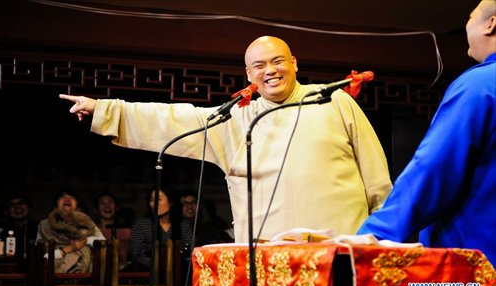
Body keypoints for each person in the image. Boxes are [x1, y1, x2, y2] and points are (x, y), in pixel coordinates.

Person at [60, 35, 392, 243]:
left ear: (293, 63)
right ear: (249, 75)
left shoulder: (333, 100)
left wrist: (385, 229)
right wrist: (105, 110)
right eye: (259, 65)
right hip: (268, 251)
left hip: (342, 244)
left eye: (278, 61)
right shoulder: (238, 118)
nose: (270, 70)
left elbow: (375, 172)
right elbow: (176, 119)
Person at [358, 0, 496, 264]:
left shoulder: (480, 85)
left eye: (471, 16)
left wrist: (375, 233)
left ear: (491, 24)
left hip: (476, 269)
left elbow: (435, 167)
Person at [36, 190, 105, 273]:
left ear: (78, 209)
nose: (67, 198)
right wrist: (69, 249)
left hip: (85, 273)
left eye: (71, 197)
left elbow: (104, 244)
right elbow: (42, 257)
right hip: (54, 272)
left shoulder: (86, 223)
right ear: (55, 208)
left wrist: (85, 241)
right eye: (62, 197)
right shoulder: (44, 226)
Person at [129, 187, 181, 271]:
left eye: (159, 199)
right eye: (152, 200)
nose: (155, 204)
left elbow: (191, 254)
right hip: (148, 273)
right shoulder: (141, 225)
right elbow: (137, 255)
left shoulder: (183, 225)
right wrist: (160, 266)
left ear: (171, 202)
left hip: (179, 272)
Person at [93, 192, 134, 270]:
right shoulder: (91, 231)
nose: (107, 206)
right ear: (96, 209)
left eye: (110, 202)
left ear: (117, 207)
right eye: (102, 203)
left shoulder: (127, 231)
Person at [0, 195, 38, 266]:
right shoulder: (1, 229)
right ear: (6, 212)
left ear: (30, 208)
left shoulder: (39, 227)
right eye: (12, 205)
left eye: (21, 203)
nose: (17, 207)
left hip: (35, 269)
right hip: (8, 268)